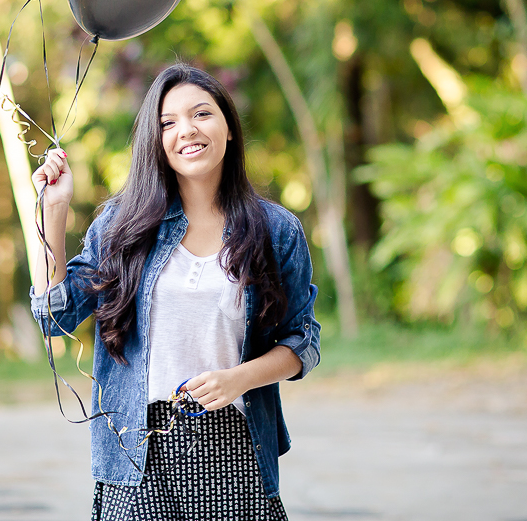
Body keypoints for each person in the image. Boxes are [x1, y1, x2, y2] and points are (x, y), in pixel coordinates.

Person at [29, 63, 321, 521]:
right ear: (156, 140)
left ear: (228, 128)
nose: (186, 130)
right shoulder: (121, 226)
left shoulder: (276, 230)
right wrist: (55, 212)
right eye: (168, 122)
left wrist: (239, 378)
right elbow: (53, 318)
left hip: (235, 447)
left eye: (201, 114)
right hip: (137, 450)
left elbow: (302, 341)